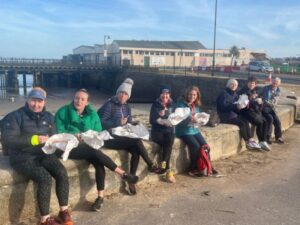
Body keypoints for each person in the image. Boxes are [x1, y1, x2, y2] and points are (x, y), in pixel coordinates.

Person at [55, 89, 138, 212]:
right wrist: (75, 134)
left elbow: (98, 130)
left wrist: (90, 136)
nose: (79, 101)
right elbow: (58, 131)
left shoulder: (92, 114)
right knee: (95, 153)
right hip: (68, 146)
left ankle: (100, 198)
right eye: (77, 98)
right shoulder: (63, 111)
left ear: (87, 102)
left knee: (99, 162)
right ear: (74, 99)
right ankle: (123, 174)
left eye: (82, 99)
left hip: (87, 144)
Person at [1, 87, 73, 225]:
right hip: (22, 157)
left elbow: (54, 135)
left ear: (44, 102)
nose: (36, 105)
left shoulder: (49, 117)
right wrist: (34, 139)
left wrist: (59, 141)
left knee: (61, 172)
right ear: (28, 100)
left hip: (44, 153)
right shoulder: (15, 116)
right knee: (45, 178)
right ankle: (45, 219)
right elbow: (9, 139)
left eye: (40, 101)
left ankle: (63, 211)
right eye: (33, 100)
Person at [98, 78, 157, 195]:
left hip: (123, 136)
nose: (123, 96)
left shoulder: (127, 107)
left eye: (126, 94)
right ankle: (150, 164)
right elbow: (101, 123)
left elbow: (128, 122)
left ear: (128, 96)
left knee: (135, 152)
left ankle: (131, 181)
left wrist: (132, 124)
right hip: (109, 138)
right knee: (136, 141)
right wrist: (117, 123)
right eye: (121, 92)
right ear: (117, 92)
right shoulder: (109, 105)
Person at [175, 86, 218, 177]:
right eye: (190, 94)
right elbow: (177, 121)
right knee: (195, 146)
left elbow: (197, 117)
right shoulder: (180, 104)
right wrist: (189, 119)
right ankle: (192, 168)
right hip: (183, 130)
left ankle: (207, 165)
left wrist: (201, 120)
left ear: (197, 96)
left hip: (194, 129)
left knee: (205, 146)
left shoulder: (195, 105)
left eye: (194, 95)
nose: (192, 96)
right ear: (187, 94)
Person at [216, 79, 261, 150]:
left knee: (245, 120)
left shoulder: (235, 94)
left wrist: (242, 106)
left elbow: (236, 105)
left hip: (232, 114)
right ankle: (247, 142)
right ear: (228, 84)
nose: (234, 86)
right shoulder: (223, 93)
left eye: (235, 85)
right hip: (224, 116)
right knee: (241, 123)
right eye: (232, 84)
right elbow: (222, 107)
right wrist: (235, 106)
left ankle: (250, 139)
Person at [149, 84, 176, 183]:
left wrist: (171, 121)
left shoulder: (173, 104)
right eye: (163, 94)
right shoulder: (155, 104)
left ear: (169, 95)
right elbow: (151, 120)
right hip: (157, 131)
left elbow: (176, 117)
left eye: (167, 94)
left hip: (169, 130)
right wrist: (159, 118)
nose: (165, 96)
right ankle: (166, 168)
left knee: (169, 141)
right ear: (160, 95)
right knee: (167, 144)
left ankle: (164, 166)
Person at [238, 76, 271, 151]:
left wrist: (260, 101)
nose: (251, 84)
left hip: (254, 111)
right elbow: (244, 103)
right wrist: (253, 100)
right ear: (247, 83)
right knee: (260, 122)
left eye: (253, 83)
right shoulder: (243, 91)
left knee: (265, 121)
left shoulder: (255, 90)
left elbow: (259, 98)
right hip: (245, 112)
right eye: (250, 83)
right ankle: (261, 141)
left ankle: (263, 141)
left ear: (255, 84)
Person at [261, 77, 284, 144]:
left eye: (277, 82)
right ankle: (268, 137)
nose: (275, 83)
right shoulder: (266, 88)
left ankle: (278, 137)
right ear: (272, 82)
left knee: (277, 121)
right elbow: (261, 96)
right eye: (274, 81)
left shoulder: (278, 91)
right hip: (264, 108)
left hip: (272, 109)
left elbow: (274, 102)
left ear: (279, 83)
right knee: (270, 119)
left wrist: (267, 102)